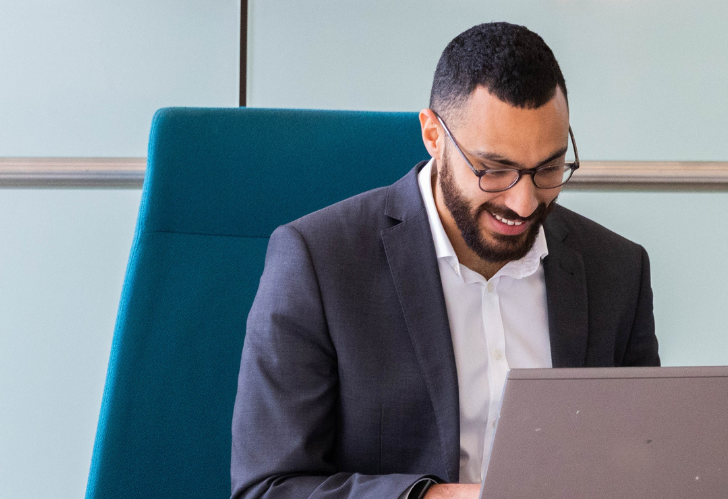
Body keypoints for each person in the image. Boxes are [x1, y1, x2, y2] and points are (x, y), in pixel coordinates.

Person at [231, 22, 659, 499]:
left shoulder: (619, 271)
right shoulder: (319, 263)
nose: (523, 203)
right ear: (433, 136)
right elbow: (268, 488)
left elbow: (640, 463)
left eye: (549, 169)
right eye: (494, 170)